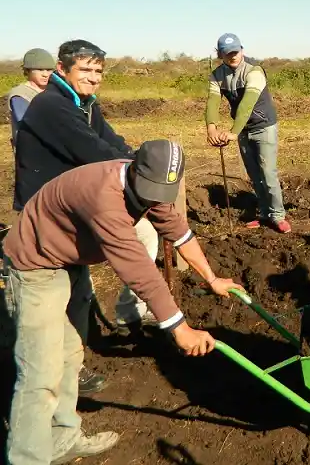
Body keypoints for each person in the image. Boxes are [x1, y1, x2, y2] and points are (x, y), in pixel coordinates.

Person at [2, 139, 244, 465]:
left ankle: (61, 438)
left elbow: (177, 230)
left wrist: (212, 278)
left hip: (71, 258)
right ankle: (26, 458)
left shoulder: (149, 186)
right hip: (37, 265)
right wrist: (179, 328)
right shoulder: (105, 198)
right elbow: (139, 270)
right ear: (134, 169)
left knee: (70, 355)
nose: (154, 198)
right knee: (39, 371)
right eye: (150, 190)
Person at [12, 39, 163, 394]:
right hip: (47, 215)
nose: (94, 78)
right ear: (61, 70)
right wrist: (137, 170)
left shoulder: (85, 105)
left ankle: (127, 315)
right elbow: (95, 153)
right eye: (85, 70)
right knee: (64, 292)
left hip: (73, 206)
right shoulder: (52, 106)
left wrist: (141, 161)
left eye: (98, 71)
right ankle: (64, 368)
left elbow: (114, 142)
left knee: (136, 242)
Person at [204, 33, 290, 233]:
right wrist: (211, 127)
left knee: (268, 173)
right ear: (220, 55)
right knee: (254, 175)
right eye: (227, 53)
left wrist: (233, 132)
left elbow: (247, 105)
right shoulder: (217, 75)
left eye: (235, 51)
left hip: (263, 126)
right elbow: (213, 102)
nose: (233, 56)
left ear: (242, 49)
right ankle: (264, 214)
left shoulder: (254, 71)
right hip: (244, 130)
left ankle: (277, 215)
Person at [6, 48, 54, 149]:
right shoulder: (20, 95)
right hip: (31, 152)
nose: (45, 74)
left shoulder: (54, 90)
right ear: (28, 71)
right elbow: (31, 125)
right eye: (40, 70)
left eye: (49, 70)